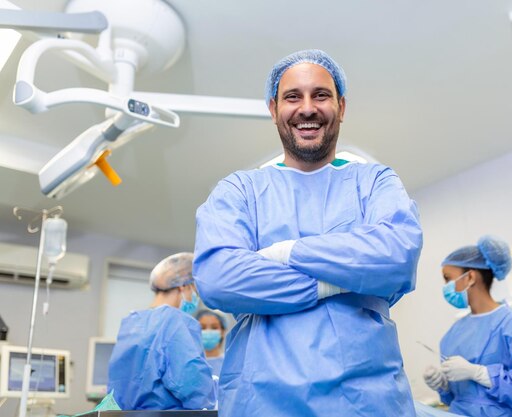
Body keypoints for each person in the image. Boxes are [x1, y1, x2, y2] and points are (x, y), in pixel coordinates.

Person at [194, 49, 423, 417]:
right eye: (292, 97)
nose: (307, 108)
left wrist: (282, 252)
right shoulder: (239, 191)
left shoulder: (375, 181)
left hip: (367, 401)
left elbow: (396, 257)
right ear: (273, 109)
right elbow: (219, 278)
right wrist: (343, 279)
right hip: (261, 400)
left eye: (320, 95)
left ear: (341, 107)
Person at [422, 236, 512, 417]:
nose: (445, 287)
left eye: (448, 278)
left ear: (470, 277)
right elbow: (457, 396)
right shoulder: (454, 332)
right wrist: (444, 385)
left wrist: (480, 373)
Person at [108, 252, 217, 410]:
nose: (196, 298)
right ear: (185, 287)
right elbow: (194, 387)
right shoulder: (175, 321)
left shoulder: (132, 323)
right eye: (196, 292)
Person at [195, 309, 227, 376]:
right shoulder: (192, 364)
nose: (208, 331)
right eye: (202, 328)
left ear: (223, 332)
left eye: (214, 327)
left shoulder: (229, 363)